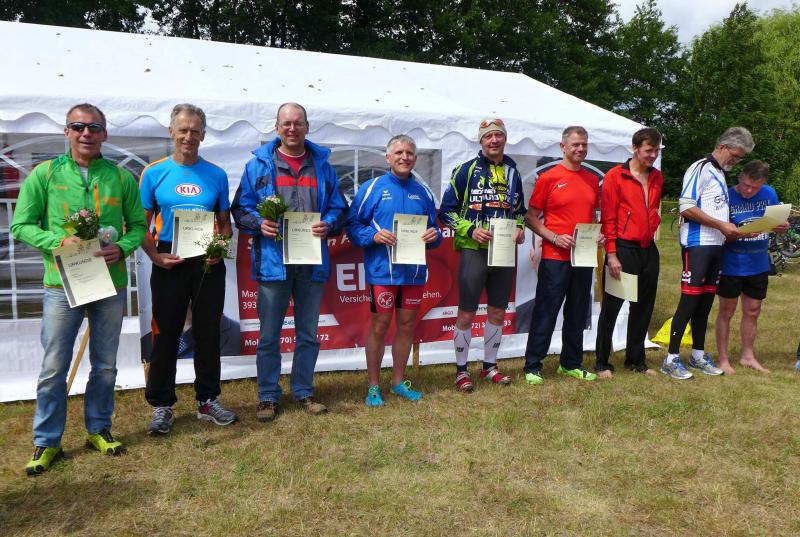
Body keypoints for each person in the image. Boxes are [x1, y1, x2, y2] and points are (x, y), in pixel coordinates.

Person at [12, 103, 146, 474]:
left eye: (94, 127)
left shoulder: (120, 177)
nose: (86, 133)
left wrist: (122, 247)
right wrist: (58, 241)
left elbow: (138, 225)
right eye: (78, 126)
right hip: (61, 284)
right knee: (54, 366)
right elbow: (21, 225)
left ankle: (99, 429)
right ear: (67, 132)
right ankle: (47, 440)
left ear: (104, 133)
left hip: (109, 283)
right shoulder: (45, 173)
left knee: (105, 365)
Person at [231, 102, 346, 421]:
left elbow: (340, 208)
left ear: (307, 127)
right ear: (277, 127)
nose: (292, 128)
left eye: (298, 123)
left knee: (308, 334)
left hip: (311, 263)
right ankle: (268, 396)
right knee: (269, 335)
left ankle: (304, 391)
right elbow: (240, 209)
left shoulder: (323, 166)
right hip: (273, 263)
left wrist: (329, 224)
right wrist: (259, 224)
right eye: (286, 123)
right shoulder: (257, 166)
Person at [139, 103, 237, 436]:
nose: (188, 136)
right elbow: (139, 224)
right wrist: (155, 256)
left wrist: (219, 248)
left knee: (208, 331)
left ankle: (208, 400)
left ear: (203, 135)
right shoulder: (154, 172)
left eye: (195, 131)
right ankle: (162, 405)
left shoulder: (216, 174)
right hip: (169, 258)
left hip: (207, 259)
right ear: (171, 132)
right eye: (183, 130)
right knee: (166, 332)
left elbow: (225, 224)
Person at [346, 135, 442, 406]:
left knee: (407, 325)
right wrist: (373, 236)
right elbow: (352, 226)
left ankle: (398, 382)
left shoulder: (423, 192)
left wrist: (433, 236)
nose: (404, 157)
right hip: (383, 272)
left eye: (409, 153)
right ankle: (373, 387)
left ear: (415, 158)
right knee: (379, 326)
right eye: (398, 152)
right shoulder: (372, 188)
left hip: (413, 273)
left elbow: (435, 232)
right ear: (388, 158)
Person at [439, 119, 526, 392]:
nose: (494, 140)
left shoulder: (513, 172)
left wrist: (520, 228)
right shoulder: (465, 170)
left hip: (503, 252)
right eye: (488, 136)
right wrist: (470, 229)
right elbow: (445, 212)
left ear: (505, 139)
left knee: (498, 311)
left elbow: (519, 211)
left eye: (498, 135)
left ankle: (490, 366)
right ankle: (461, 371)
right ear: (481, 140)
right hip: (474, 250)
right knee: (466, 313)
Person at [661, 127, 753, 380]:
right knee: (689, 302)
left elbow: (716, 210)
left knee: (705, 304)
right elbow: (686, 206)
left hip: (717, 245)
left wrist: (737, 230)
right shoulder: (700, 167)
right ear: (723, 146)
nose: (736, 161)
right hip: (697, 244)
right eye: (735, 155)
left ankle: (698, 355)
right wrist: (721, 225)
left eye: (741, 158)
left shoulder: (720, 173)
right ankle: (671, 358)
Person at [523, 126, 600, 384]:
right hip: (555, 257)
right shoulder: (549, 178)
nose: (580, 149)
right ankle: (533, 366)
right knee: (546, 311)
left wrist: (597, 236)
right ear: (563, 147)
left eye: (584, 144)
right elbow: (531, 218)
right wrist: (554, 237)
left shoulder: (591, 180)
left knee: (577, 312)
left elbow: (591, 218)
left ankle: (570, 363)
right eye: (576, 144)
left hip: (583, 257)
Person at [595, 128, 664, 377]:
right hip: (623, 249)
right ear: (635, 148)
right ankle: (602, 362)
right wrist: (612, 254)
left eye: (656, 151)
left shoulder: (656, 176)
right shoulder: (615, 176)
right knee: (612, 308)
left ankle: (636, 360)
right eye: (649, 150)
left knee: (643, 307)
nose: (653, 155)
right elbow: (609, 218)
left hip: (648, 249)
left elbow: (653, 210)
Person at [714, 161, 789, 374]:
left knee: (753, 311)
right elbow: (718, 235)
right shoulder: (726, 196)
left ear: (763, 184)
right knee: (727, 310)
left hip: (758, 263)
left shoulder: (769, 193)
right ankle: (723, 359)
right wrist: (740, 234)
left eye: (755, 188)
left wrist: (782, 227)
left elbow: (776, 224)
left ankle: (748, 356)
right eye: (746, 185)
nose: (749, 191)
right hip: (731, 263)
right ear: (741, 176)